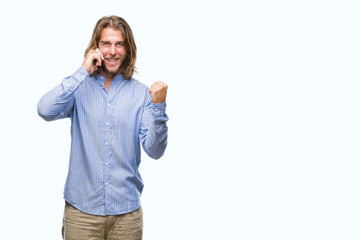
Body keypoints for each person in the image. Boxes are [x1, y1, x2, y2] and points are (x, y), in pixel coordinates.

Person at [37, 15, 168, 240]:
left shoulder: (142, 94)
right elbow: (44, 110)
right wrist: (82, 71)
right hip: (81, 214)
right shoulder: (78, 88)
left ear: (128, 48)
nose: (112, 51)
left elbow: (155, 151)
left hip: (126, 215)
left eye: (119, 44)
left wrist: (158, 107)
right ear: (95, 47)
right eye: (106, 43)